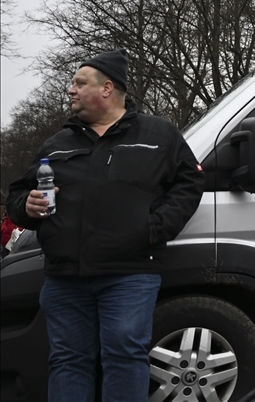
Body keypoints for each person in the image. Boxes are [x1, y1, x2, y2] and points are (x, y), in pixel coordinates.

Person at [6, 49, 204, 401]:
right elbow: (19, 194)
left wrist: (155, 228)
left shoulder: (160, 135)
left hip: (129, 274)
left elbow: (190, 184)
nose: (71, 90)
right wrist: (27, 206)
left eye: (79, 83)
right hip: (64, 277)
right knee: (68, 360)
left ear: (108, 88)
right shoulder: (58, 144)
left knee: (124, 357)